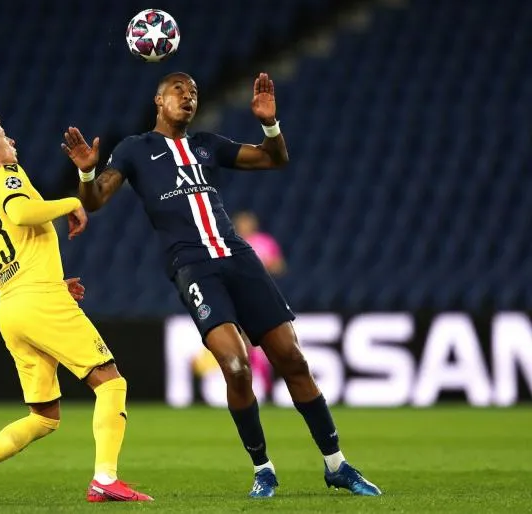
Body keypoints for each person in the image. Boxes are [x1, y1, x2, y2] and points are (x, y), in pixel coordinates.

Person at [62, 73, 380, 498]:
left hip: (238, 257)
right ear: (159, 100)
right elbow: (96, 199)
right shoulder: (134, 149)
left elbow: (273, 159)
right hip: (192, 266)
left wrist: (270, 125)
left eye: (194, 92)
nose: (188, 97)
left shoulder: (207, 144)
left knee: (292, 359)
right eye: (179, 90)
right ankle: (263, 469)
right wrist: (86, 172)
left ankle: (336, 465)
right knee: (235, 365)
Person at [0, 113, 152, 503]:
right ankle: (105, 479)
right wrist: (72, 202)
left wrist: (43, 281)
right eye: (4, 135)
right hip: (38, 299)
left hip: (10, 307)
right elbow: (21, 213)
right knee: (111, 382)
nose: (11, 141)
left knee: (43, 418)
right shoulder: (9, 176)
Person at [232, 211, 286, 276]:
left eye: (246, 223)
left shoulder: (265, 241)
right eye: (241, 224)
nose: (244, 227)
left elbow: (280, 266)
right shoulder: (232, 243)